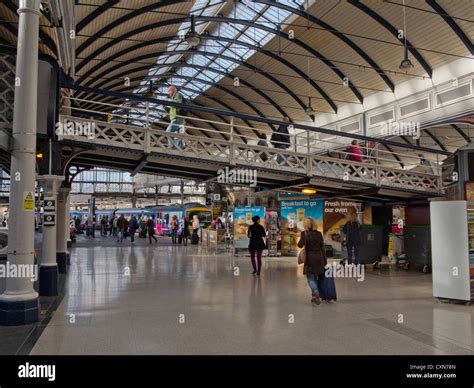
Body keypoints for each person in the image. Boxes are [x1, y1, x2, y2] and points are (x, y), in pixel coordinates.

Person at [298, 217, 327, 305]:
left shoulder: (304, 233)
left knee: (311, 277)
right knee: (316, 276)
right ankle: (314, 297)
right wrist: (325, 260)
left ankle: (315, 292)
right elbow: (322, 247)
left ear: (305, 225)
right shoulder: (319, 233)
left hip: (310, 258)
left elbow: (299, 245)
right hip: (319, 257)